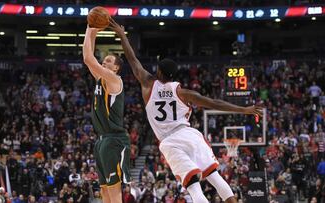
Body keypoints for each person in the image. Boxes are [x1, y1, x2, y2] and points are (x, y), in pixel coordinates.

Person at [110, 18, 263, 203]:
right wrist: (244, 109)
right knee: (214, 176)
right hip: (189, 134)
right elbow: (214, 103)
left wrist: (122, 35)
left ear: (159, 72)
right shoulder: (183, 92)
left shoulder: (148, 85)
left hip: (169, 141)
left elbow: (132, 60)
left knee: (193, 186)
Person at [82, 25, 131, 203]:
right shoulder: (101, 79)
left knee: (114, 189)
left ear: (116, 68)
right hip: (102, 139)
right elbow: (88, 57)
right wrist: (92, 31)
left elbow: (88, 58)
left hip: (114, 140)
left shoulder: (114, 80)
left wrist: (91, 28)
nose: (104, 61)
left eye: (109, 61)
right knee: (104, 191)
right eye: (104, 60)